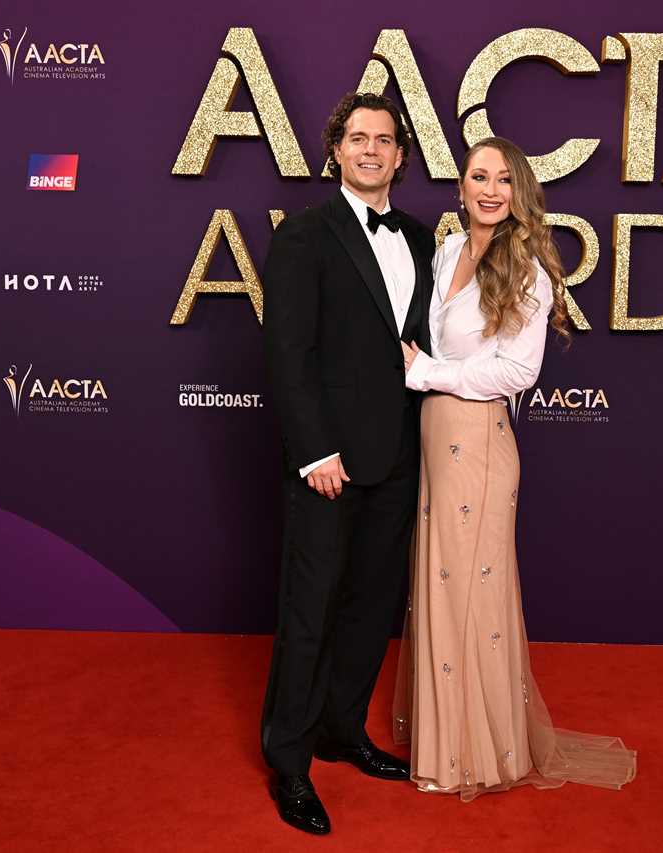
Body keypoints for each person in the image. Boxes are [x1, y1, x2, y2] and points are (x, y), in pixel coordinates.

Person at [395, 137, 637, 800]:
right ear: (462, 185)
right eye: (479, 176)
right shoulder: (446, 251)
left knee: (476, 596)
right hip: (435, 442)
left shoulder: (525, 263)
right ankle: (446, 743)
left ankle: (479, 754)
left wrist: (428, 372)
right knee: (441, 588)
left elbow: (517, 370)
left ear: (519, 189)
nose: (491, 189)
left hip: (480, 442)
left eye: (504, 178)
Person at [259, 92, 436, 835]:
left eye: (384, 139)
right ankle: (289, 759)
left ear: (401, 154)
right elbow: (287, 354)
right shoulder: (305, 236)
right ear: (336, 151)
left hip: (400, 455)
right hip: (330, 461)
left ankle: (342, 729)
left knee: (369, 606)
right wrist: (314, 451)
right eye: (357, 138)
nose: (371, 150)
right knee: (312, 607)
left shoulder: (423, 237)